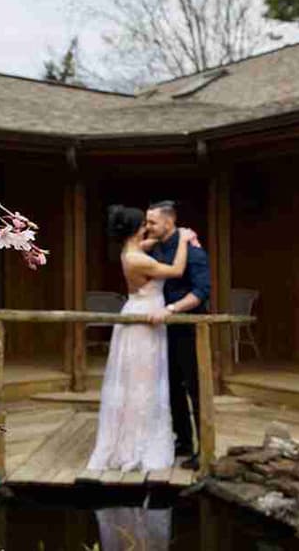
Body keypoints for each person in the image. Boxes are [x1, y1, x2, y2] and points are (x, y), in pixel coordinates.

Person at [86, 205, 196, 472]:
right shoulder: (137, 259)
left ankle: (140, 435)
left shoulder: (132, 249)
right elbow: (176, 270)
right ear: (136, 229)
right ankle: (135, 445)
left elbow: (147, 242)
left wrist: (163, 234)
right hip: (144, 319)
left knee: (144, 378)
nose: (147, 227)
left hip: (143, 311)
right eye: (143, 224)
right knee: (141, 381)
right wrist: (182, 238)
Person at [145, 200, 211, 470]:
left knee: (195, 388)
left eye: (152, 222)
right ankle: (183, 441)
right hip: (165, 330)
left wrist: (171, 309)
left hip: (189, 328)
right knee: (172, 387)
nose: (148, 227)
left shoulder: (194, 253)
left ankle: (203, 448)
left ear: (169, 223)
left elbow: (201, 292)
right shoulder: (158, 246)